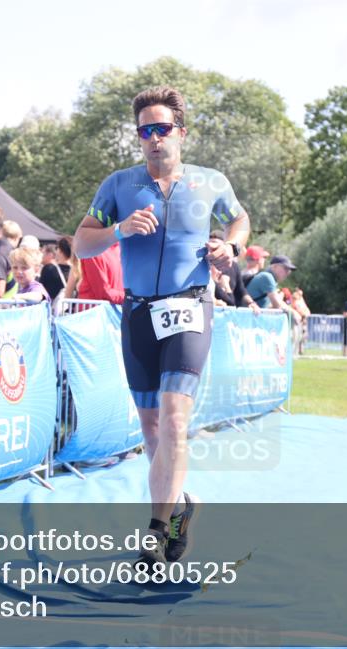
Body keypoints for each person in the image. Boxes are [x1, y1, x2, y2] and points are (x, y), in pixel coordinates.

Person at [73, 86, 250, 571]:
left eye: (162, 129)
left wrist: (230, 248)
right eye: (145, 130)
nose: (154, 138)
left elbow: (239, 220)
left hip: (189, 307)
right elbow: (82, 244)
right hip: (137, 314)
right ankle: (179, 507)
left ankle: (155, 533)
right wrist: (118, 230)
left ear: (181, 133)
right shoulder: (119, 185)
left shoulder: (210, 181)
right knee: (151, 429)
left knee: (174, 420)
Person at [208, 229, 259, 311]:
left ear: (224, 246)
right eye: (210, 245)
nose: (212, 248)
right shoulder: (206, 266)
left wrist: (251, 303)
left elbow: (241, 290)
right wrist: (223, 286)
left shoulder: (234, 266)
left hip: (229, 312)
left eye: (216, 245)